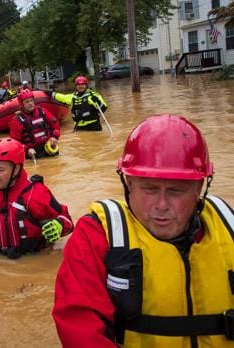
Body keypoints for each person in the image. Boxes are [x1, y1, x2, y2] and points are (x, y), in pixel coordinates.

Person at [52, 114, 234, 347]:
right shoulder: (97, 235)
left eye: (176, 191)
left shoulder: (228, 226)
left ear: (199, 187)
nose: (161, 204)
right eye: (149, 189)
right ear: (128, 184)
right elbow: (79, 327)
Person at [9, 89, 61, 159]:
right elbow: (15, 142)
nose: (30, 103)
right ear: (21, 104)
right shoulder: (16, 120)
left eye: (31, 100)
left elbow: (56, 125)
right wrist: (26, 149)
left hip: (49, 146)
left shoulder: (42, 111)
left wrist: (54, 137)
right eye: (27, 102)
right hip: (32, 152)